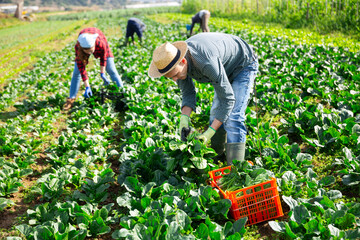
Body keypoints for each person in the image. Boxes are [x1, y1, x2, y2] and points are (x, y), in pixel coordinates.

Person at [148, 33, 258, 165]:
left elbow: (228, 100)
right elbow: (188, 93)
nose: (175, 79)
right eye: (171, 77)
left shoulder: (205, 62)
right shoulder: (176, 64)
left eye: (176, 75)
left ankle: (236, 169)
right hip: (222, 68)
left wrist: (209, 132)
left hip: (243, 64)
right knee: (216, 113)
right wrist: (184, 119)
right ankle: (217, 156)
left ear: (183, 61)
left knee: (233, 117)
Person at [63, 27, 123, 110]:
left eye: (91, 51)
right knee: (77, 72)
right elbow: (82, 69)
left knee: (111, 69)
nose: (90, 54)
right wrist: (87, 86)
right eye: (87, 52)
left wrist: (102, 73)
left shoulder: (100, 42)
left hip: (99, 42)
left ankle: (123, 93)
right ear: (83, 49)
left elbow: (103, 57)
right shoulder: (78, 48)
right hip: (83, 47)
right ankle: (71, 99)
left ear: (94, 45)